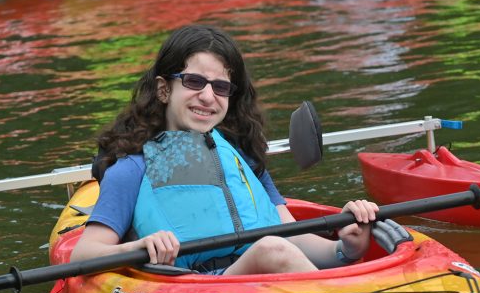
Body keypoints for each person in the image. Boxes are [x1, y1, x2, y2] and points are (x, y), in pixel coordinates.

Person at [70, 24, 378, 274]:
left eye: (220, 87)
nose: (208, 97)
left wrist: (345, 247)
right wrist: (138, 248)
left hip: (268, 281)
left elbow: (289, 235)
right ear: (165, 89)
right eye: (194, 82)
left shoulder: (241, 157)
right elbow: (83, 256)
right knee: (271, 249)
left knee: (274, 247)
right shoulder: (133, 169)